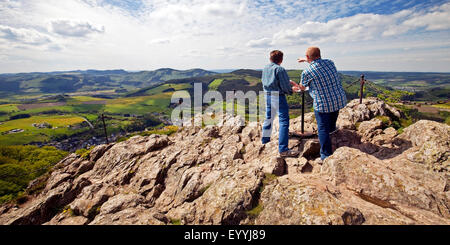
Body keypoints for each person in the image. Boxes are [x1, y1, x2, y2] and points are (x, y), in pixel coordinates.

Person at [293, 47, 347, 160]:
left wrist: (296, 87)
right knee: (331, 125)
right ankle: (333, 137)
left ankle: (326, 156)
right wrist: (306, 59)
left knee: (322, 129)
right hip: (337, 100)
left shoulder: (307, 72)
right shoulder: (330, 63)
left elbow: (302, 87)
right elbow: (317, 61)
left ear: (308, 57)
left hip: (323, 103)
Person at [261, 50, 300, 157]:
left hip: (267, 95)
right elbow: (285, 87)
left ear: (270, 58)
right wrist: (291, 89)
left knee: (268, 117)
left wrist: (288, 82)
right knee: (284, 121)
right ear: (281, 59)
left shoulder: (265, 68)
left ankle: (264, 140)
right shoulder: (280, 69)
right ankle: (283, 149)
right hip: (278, 97)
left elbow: (268, 82)